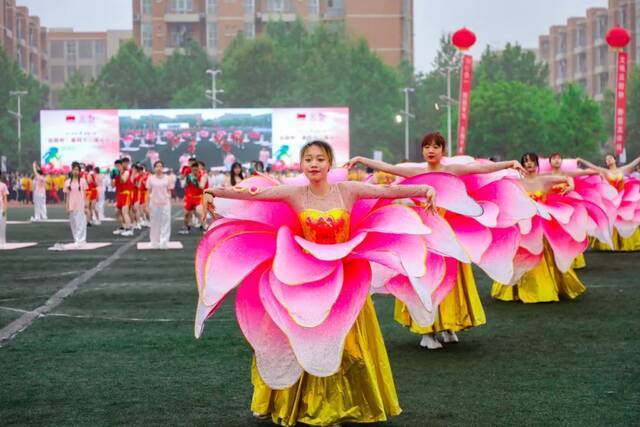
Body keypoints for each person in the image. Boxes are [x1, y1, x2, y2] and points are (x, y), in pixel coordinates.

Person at [198, 140, 437, 426]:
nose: (314, 164)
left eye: (320, 159)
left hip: (344, 283)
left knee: (350, 348)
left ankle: (345, 405)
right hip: (306, 283)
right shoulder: (295, 193)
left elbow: (386, 191)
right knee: (303, 341)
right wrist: (214, 191)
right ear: (302, 164)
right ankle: (302, 406)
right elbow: (255, 195)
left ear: (329, 163)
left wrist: (423, 189)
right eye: (308, 159)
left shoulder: (347, 190)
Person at [346, 131, 526, 349]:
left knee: (448, 283)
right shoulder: (417, 171)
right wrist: (360, 160)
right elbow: (388, 167)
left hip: (448, 236)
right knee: (425, 282)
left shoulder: (451, 170)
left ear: (443, 150)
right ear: (423, 150)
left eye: (436, 146)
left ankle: (447, 325)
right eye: (427, 146)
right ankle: (427, 333)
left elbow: (480, 168)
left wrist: (510, 164)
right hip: (423, 237)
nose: (431, 150)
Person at [491, 152, 587, 303]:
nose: (529, 164)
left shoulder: (544, 180)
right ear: (522, 164)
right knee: (520, 255)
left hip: (541, 226)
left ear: (537, 164)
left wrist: (571, 186)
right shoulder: (516, 182)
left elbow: (567, 178)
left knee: (544, 253)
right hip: (523, 225)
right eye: (525, 161)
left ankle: (546, 287)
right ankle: (515, 290)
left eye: (531, 161)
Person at [577, 154, 640, 251]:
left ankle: (625, 244)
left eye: (610, 158)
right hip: (610, 200)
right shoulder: (605, 172)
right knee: (609, 219)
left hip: (622, 198)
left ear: (614, 160)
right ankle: (608, 244)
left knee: (624, 220)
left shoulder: (622, 170)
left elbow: (634, 163)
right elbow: (592, 166)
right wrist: (581, 159)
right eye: (607, 159)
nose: (609, 160)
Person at [147, 160, 175, 249]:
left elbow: (170, 190)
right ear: (154, 168)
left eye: (160, 166)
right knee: (154, 223)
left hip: (165, 203)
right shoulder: (150, 178)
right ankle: (154, 242)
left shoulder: (167, 178)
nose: (159, 168)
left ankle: (164, 241)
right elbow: (148, 191)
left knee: (165, 222)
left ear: (163, 168)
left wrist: (169, 199)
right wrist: (147, 203)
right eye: (157, 166)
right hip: (154, 203)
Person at [179, 160, 207, 235]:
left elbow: (202, 186)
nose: (195, 171)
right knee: (186, 214)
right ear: (191, 169)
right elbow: (184, 186)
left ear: (199, 169)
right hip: (189, 197)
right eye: (193, 170)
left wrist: (195, 181)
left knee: (199, 212)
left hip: (199, 197)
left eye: (197, 169)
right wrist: (187, 181)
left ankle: (206, 227)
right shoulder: (189, 176)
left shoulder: (203, 175)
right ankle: (187, 226)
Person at [64, 162, 88, 247]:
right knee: (73, 224)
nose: (75, 171)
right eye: (74, 169)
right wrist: (66, 207)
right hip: (71, 205)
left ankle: (81, 240)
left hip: (80, 205)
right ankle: (77, 239)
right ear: (72, 170)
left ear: (79, 171)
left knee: (81, 223)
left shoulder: (83, 181)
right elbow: (67, 196)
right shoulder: (67, 182)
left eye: (77, 170)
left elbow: (85, 195)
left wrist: (86, 206)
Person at [0, 178, 8, 246]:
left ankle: (2, 242)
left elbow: (5, 198)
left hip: (1, 208)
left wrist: (5, 209)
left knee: (2, 226)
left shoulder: (3, 185)